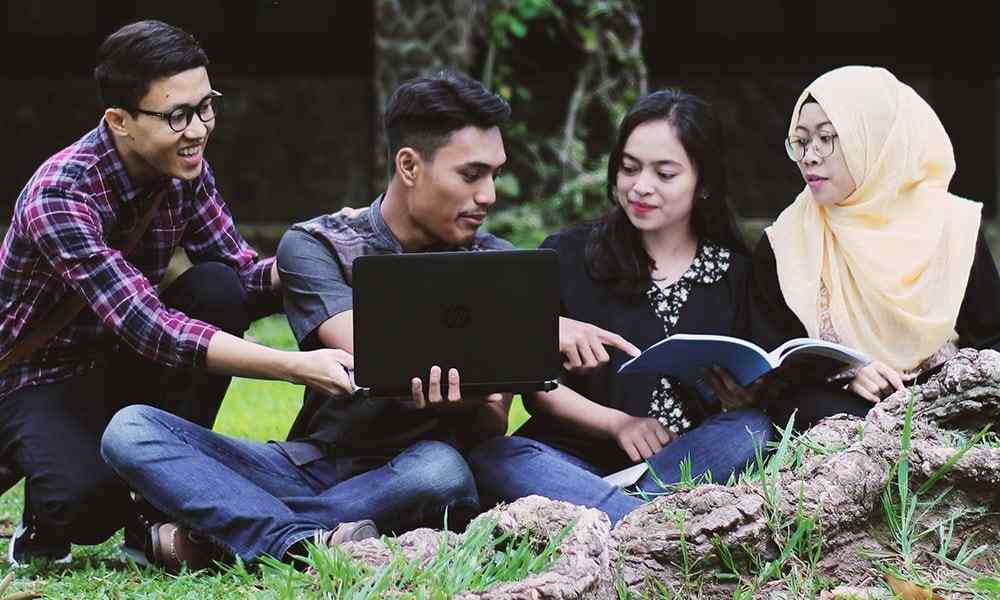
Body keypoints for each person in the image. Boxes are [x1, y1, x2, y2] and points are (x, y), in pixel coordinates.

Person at [102, 70, 630, 570]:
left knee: (442, 472)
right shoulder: (319, 244)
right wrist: (528, 329)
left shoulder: (498, 262)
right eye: (471, 174)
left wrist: (477, 392)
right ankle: (303, 540)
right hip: (311, 465)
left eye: (494, 175)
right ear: (409, 166)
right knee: (131, 429)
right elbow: (369, 353)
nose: (488, 195)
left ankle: (235, 538)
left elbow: (491, 425)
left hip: (415, 470)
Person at [0, 20, 359, 567]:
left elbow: (241, 277)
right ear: (119, 120)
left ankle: (153, 505)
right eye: (177, 116)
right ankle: (43, 514)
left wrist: (323, 245)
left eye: (205, 106)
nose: (198, 130)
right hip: (36, 375)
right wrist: (295, 365)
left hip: (117, 359)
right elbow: (150, 325)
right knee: (86, 507)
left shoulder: (184, 168)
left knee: (216, 286)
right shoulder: (60, 197)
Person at [468, 89, 774, 526]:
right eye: (629, 169)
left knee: (750, 430)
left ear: (704, 184)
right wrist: (618, 424)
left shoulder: (738, 275)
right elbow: (534, 386)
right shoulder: (570, 255)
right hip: (571, 462)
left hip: (680, 467)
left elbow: (757, 381)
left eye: (665, 174)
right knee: (496, 455)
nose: (640, 187)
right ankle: (651, 526)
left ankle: (614, 519)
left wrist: (742, 399)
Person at [749, 65, 1000, 431]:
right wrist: (846, 373)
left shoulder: (952, 226)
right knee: (809, 409)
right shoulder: (785, 243)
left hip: (946, 400)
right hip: (845, 408)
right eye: (801, 140)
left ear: (877, 141)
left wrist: (947, 387)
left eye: (827, 138)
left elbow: (991, 340)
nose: (810, 156)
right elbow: (776, 362)